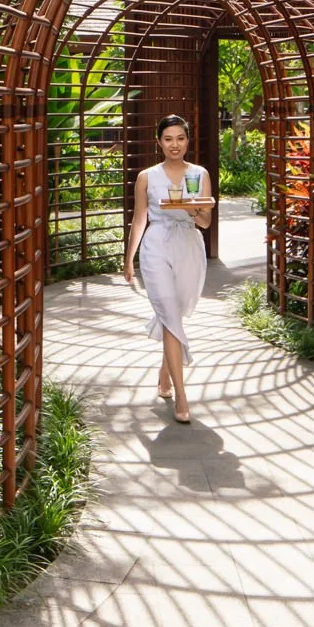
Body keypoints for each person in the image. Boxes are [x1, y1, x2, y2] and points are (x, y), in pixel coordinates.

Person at [123, 115, 213, 423]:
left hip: (188, 246)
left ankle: (164, 375)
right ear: (159, 142)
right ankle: (182, 396)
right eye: (168, 139)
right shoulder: (147, 176)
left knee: (175, 312)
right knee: (169, 312)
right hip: (156, 246)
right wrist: (129, 258)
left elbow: (204, 222)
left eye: (180, 138)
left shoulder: (200, 174)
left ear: (188, 141)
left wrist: (192, 209)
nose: (175, 144)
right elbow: (140, 219)